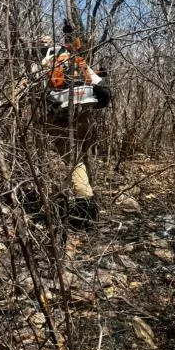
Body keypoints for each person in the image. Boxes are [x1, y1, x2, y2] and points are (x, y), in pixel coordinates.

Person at [29, 31, 110, 227]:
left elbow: (32, 90)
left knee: (73, 161)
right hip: (85, 112)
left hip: (62, 116)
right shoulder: (73, 57)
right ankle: (90, 196)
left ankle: (85, 211)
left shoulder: (41, 64)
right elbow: (99, 84)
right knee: (83, 155)